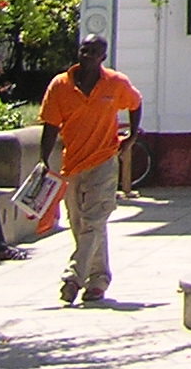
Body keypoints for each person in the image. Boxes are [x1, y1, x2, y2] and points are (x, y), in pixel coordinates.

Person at [38, 36, 143, 306]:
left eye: (94, 52)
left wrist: (130, 137)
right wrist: (43, 160)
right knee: (81, 224)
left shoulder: (116, 83)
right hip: (72, 164)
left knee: (95, 220)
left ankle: (73, 277)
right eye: (85, 50)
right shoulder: (60, 85)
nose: (88, 55)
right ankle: (97, 280)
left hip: (104, 161)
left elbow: (135, 103)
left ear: (103, 57)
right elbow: (50, 125)